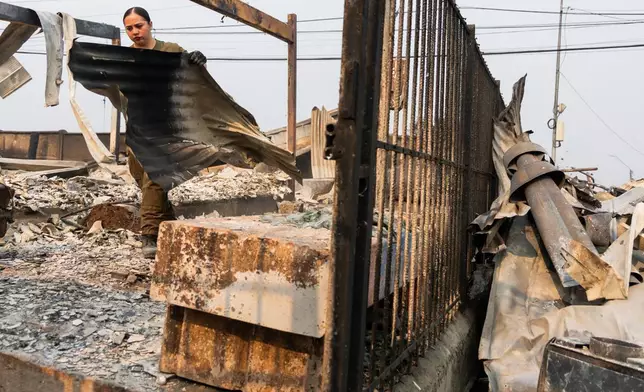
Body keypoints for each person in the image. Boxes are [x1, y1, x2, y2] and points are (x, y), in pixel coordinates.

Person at [122, 6, 207, 259]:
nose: (135, 32)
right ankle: (170, 225)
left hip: (166, 127)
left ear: (149, 24)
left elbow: (191, 77)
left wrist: (197, 61)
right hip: (137, 127)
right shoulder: (124, 58)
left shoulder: (170, 51)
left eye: (139, 26)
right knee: (143, 179)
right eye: (129, 28)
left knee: (154, 176)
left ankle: (149, 235)